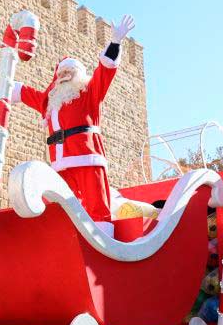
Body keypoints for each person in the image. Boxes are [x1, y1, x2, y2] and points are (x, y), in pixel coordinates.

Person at [11, 15, 157, 234]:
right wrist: (7, 84)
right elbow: (26, 94)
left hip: (87, 157)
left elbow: (105, 72)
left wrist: (115, 42)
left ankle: (105, 237)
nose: (65, 75)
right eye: (61, 72)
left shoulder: (88, 92)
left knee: (96, 204)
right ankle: (63, 240)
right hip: (60, 164)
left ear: (78, 75)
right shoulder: (49, 101)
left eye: (70, 72)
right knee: (59, 204)